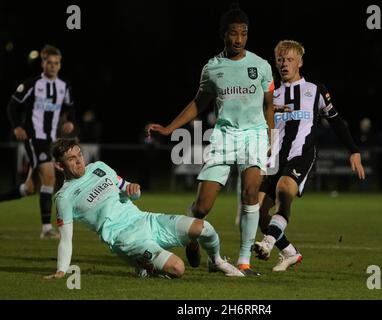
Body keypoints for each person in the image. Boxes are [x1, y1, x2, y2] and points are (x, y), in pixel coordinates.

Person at [146, 4, 275, 276]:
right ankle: (191, 235)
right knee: (203, 207)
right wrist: (170, 128)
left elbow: (269, 106)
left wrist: (270, 136)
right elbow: (198, 104)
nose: (239, 39)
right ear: (223, 35)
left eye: (244, 33)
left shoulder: (261, 66)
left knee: (251, 193)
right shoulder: (212, 68)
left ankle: (243, 262)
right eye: (233, 34)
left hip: (254, 135)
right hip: (224, 136)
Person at [44, 139, 243, 280]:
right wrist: (62, 270)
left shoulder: (100, 167)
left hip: (145, 219)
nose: (80, 161)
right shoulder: (64, 197)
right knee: (177, 269)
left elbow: (130, 191)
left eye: (79, 154)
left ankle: (216, 261)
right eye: (71, 158)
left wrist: (134, 190)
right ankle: (142, 263)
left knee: (204, 228)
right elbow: (66, 238)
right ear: (60, 166)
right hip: (126, 238)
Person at [253, 40, 365, 271]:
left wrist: (353, 150)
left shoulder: (316, 90)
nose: (285, 64)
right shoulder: (270, 94)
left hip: (301, 154)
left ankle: (267, 243)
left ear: (300, 62)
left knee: (284, 190)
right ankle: (290, 252)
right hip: (273, 159)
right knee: (258, 212)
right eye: (281, 59)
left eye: (290, 59)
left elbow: (336, 121)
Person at [1, 45, 75, 239]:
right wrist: (17, 127)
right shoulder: (33, 84)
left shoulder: (63, 86)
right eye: (49, 62)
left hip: (51, 140)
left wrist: (69, 122)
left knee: (30, 188)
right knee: (49, 176)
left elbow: (70, 108)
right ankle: (46, 229)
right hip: (35, 138)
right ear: (43, 63)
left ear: (60, 65)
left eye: (56, 63)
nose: (52, 66)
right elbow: (12, 106)